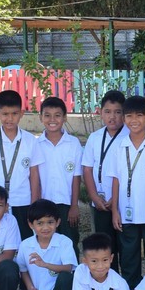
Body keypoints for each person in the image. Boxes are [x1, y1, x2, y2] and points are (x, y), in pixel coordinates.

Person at [109, 95, 145, 288]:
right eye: (129, 116)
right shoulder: (119, 147)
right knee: (128, 257)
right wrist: (115, 211)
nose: (134, 120)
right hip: (126, 213)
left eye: (139, 115)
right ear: (124, 118)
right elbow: (116, 180)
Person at [0, 90, 44, 241]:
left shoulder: (30, 140)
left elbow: (34, 174)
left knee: (24, 241)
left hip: (23, 201)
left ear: (22, 113)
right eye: (5, 114)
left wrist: (34, 203)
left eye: (14, 113)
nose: (10, 118)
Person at [16, 199, 77, 290]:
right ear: (31, 224)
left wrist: (45, 264)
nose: (45, 227)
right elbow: (23, 270)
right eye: (40, 223)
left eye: (50, 222)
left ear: (58, 222)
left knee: (65, 276)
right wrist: (30, 288)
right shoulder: (25, 245)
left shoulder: (64, 241)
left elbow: (68, 268)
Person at [82, 90, 127, 270]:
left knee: (126, 248)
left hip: (123, 203)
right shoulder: (95, 138)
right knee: (105, 248)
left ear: (124, 114)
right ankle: (109, 282)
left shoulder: (130, 137)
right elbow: (87, 169)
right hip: (100, 203)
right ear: (100, 112)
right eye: (107, 112)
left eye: (117, 112)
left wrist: (115, 199)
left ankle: (127, 283)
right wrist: (94, 197)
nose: (112, 117)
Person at [36, 96, 83, 244]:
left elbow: (76, 177)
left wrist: (74, 206)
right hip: (44, 203)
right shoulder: (36, 144)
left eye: (57, 115)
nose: (52, 120)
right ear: (40, 117)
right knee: (45, 243)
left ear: (65, 118)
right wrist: (36, 205)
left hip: (66, 204)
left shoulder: (73, 144)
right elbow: (35, 178)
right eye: (47, 115)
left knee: (69, 242)